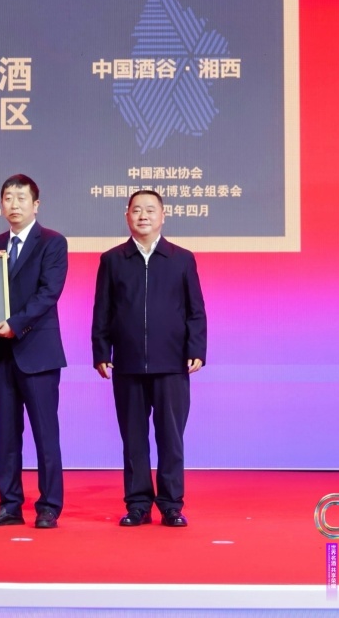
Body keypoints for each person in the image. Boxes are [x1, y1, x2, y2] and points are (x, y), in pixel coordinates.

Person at [91, 189, 206, 528]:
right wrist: (101, 351)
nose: (143, 216)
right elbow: (102, 310)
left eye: (150, 210)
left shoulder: (181, 259)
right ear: (126, 215)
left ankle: (171, 505)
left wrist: (196, 349)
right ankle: (138, 504)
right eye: (137, 210)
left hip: (171, 363)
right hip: (127, 364)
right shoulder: (112, 260)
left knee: (171, 438)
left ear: (163, 216)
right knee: (134, 439)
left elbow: (196, 310)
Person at [0, 175, 68, 529]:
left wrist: (15, 324)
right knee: (6, 433)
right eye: (8, 198)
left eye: (21, 198)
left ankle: (49, 506)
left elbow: (49, 293)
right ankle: (10, 504)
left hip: (37, 351)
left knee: (45, 433)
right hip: (0, 353)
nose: (14, 204)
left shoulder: (53, 242)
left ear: (36, 205)